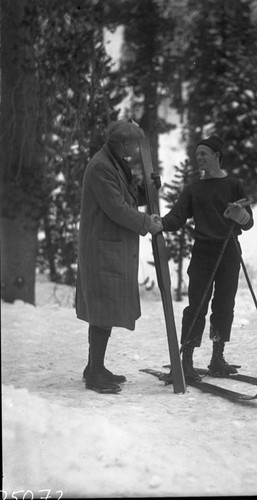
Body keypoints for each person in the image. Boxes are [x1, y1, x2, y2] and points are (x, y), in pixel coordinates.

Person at [76, 119, 163, 394]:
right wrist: (147, 222)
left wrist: (146, 191)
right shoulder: (102, 166)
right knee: (102, 310)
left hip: (107, 248)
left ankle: (95, 367)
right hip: (102, 250)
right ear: (121, 143)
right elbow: (116, 208)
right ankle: (94, 373)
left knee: (105, 309)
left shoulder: (112, 162)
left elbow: (124, 198)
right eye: (132, 143)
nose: (136, 149)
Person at [159, 135, 254, 383]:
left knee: (224, 305)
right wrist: (158, 223)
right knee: (197, 306)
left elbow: (249, 222)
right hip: (203, 252)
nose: (199, 157)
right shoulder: (193, 189)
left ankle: (217, 359)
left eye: (204, 153)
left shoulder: (233, 185)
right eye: (197, 153)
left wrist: (239, 215)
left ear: (217, 156)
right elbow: (177, 217)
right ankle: (186, 361)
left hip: (229, 250)